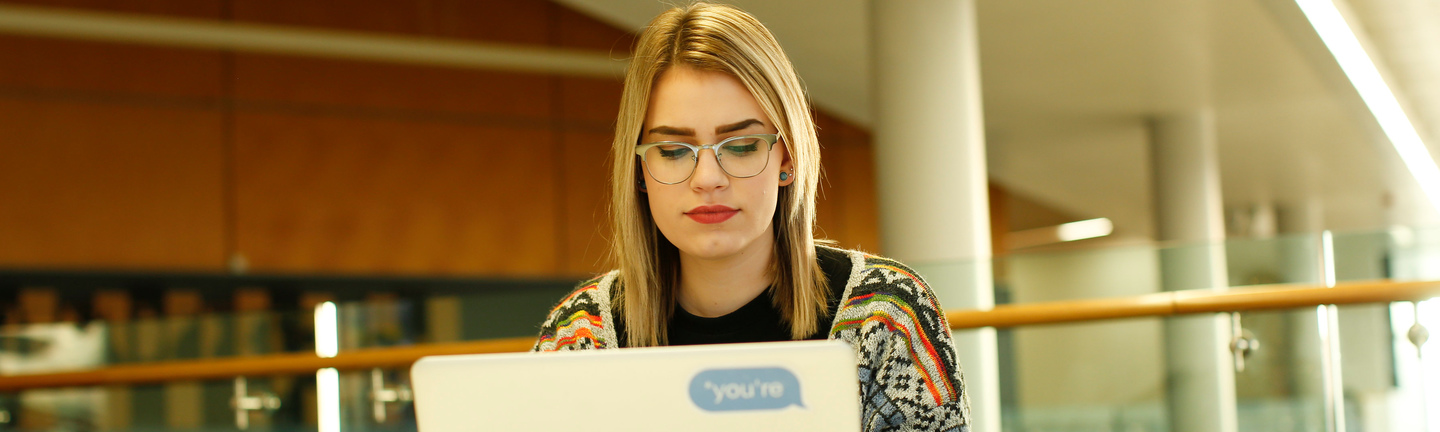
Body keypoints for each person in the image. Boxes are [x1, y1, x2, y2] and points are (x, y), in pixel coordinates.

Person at [532, 3, 970, 431]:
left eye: (741, 146)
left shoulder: (886, 317)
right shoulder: (581, 335)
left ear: (789, 157)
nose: (707, 178)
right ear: (639, 171)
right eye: (672, 151)